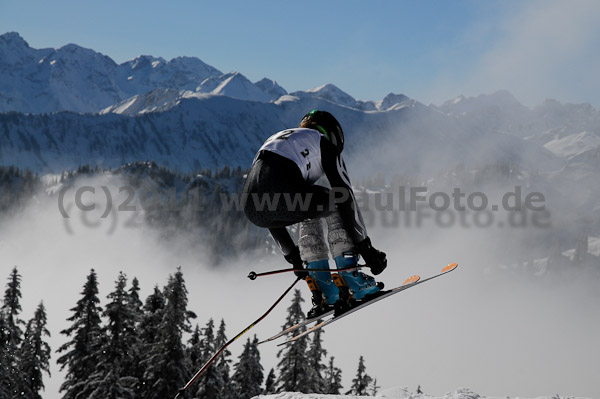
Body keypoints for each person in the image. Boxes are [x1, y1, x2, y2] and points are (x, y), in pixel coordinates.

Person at [243, 110, 387, 318]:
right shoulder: (322, 142)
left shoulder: (279, 139)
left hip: (251, 208)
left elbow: (269, 211)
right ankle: (352, 279)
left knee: (311, 207)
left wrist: (293, 256)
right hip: (283, 193)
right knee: (335, 201)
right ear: (334, 136)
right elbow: (345, 196)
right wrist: (366, 248)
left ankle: (324, 288)